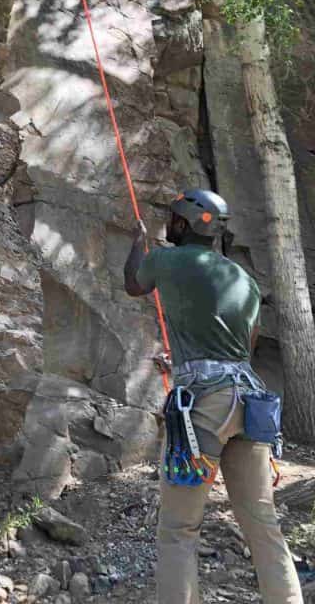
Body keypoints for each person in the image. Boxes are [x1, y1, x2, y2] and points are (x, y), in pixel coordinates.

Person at [124, 188, 303, 604]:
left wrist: (137, 244)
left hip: (203, 408)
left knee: (179, 528)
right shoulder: (243, 279)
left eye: (173, 218)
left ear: (183, 223)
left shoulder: (166, 260)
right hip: (248, 404)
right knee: (262, 521)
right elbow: (244, 347)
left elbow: (134, 284)